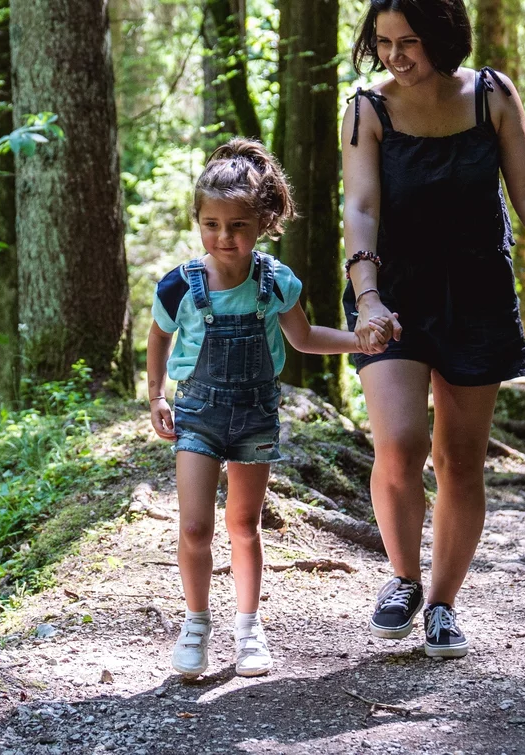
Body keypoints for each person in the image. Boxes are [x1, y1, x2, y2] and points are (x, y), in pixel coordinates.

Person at [341, 0, 525, 657]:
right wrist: (366, 296)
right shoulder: (366, 109)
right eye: (383, 42)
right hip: (392, 296)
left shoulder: (490, 95)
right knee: (399, 443)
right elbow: (361, 205)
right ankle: (402, 577)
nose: (395, 56)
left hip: (477, 295)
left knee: (459, 460)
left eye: (409, 42)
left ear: (442, 36)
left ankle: (442, 604)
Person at [147, 138, 396, 678]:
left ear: (261, 223)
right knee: (194, 527)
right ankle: (194, 625)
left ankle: (248, 627)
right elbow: (158, 336)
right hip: (197, 414)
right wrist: (154, 396)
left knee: (244, 524)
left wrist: (359, 340)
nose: (223, 237)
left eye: (236, 226)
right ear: (198, 221)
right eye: (211, 224)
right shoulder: (179, 286)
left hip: (256, 414)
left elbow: (304, 338)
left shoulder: (274, 281)